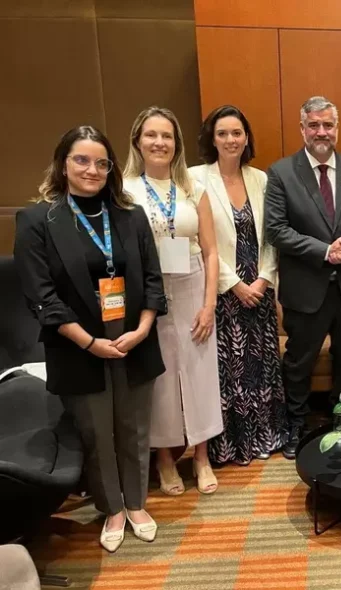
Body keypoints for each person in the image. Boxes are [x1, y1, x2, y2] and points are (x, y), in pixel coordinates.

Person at [14, 126, 167, 552]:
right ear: (63, 163)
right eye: (82, 160)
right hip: (77, 344)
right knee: (97, 432)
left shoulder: (129, 215)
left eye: (101, 162)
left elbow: (153, 279)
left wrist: (142, 328)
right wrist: (88, 341)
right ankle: (112, 507)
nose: (92, 170)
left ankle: (136, 503)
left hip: (134, 336)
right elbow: (41, 296)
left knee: (134, 428)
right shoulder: (37, 220)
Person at [265, 96, 341, 459]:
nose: (321, 132)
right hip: (305, 290)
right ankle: (295, 424)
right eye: (314, 125)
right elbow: (276, 229)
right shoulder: (282, 173)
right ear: (302, 128)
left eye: (327, 125)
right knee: (299, 363)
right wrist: (323, 250)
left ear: (337, 128)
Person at [123, 106, 222, 495]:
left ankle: (201, 455)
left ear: (176, 144)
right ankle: (165, 458)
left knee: (198, 372)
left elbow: (212, 251)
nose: (159, 142)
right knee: (160, 377)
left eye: (167, 136)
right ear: (138, 141)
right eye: (151, 135)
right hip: (148, 290)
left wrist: (209, 303)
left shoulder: (192, 189)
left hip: (193, 283)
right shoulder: (125, 191)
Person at [189, 105, 287, 464]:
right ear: (211, 139)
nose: (231, 140)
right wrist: (235, 285)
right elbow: (202, 242)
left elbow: (272, 236)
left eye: (237, 133)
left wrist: (263, 279)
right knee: (227, 369)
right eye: (223, 133)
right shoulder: (195, 178)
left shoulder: (261, 178)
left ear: (246, 138)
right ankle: (231, 445)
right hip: (221, 289)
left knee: (261, 365)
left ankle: (266, 436)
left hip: (260, 288)